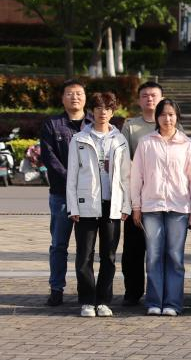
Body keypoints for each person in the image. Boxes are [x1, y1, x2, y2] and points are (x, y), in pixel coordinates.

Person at [130, 99, 191, 316]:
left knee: (175, 256)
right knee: (153, 256)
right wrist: (136, 206)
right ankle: (154, 301)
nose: (167, 119)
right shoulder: (146, 143)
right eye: (163, 115)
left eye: (171, 114)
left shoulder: (186, 144)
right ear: (157, 117)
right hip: (151, 207)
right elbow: (136, 176)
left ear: (177, 117)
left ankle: (172, 303)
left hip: (179, 208)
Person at [66, 92, 130, 317]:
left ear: (113, 112)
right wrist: (73, 207)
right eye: (99, 108)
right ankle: (86, 301)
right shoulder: (79, 139)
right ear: (91, 111)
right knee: (84, 255)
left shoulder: (120, 140)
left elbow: (126, 176)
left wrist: (126, 206)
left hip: (112, 204)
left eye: (108, 108)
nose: (103, 112)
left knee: (109, 256)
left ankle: (103, 301)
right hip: (86, 204)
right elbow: (72, 176)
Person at [120, 81, 180, 306]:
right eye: (144, 95)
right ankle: (133, 291)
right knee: (134, 249)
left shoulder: (174, 126)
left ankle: (163, 294)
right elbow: (125, 161)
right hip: (138, 195)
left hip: (167, 199)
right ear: (139, 100)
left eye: (154, 95)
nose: (149, 99)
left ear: (162, 98)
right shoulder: (131, 126)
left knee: (163, 251)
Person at [41, 79, 92, 306]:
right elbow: (49, 158)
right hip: (61, 194)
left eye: (79, 93)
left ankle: (85, 289)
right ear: (62, 98)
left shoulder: (93, 124)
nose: (75, 97)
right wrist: (72, 180)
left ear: (85, 98)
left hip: (89, 196)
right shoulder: (52, 125)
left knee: (86, 246)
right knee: (59, 244)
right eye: (70, 93)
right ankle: (56, 288)